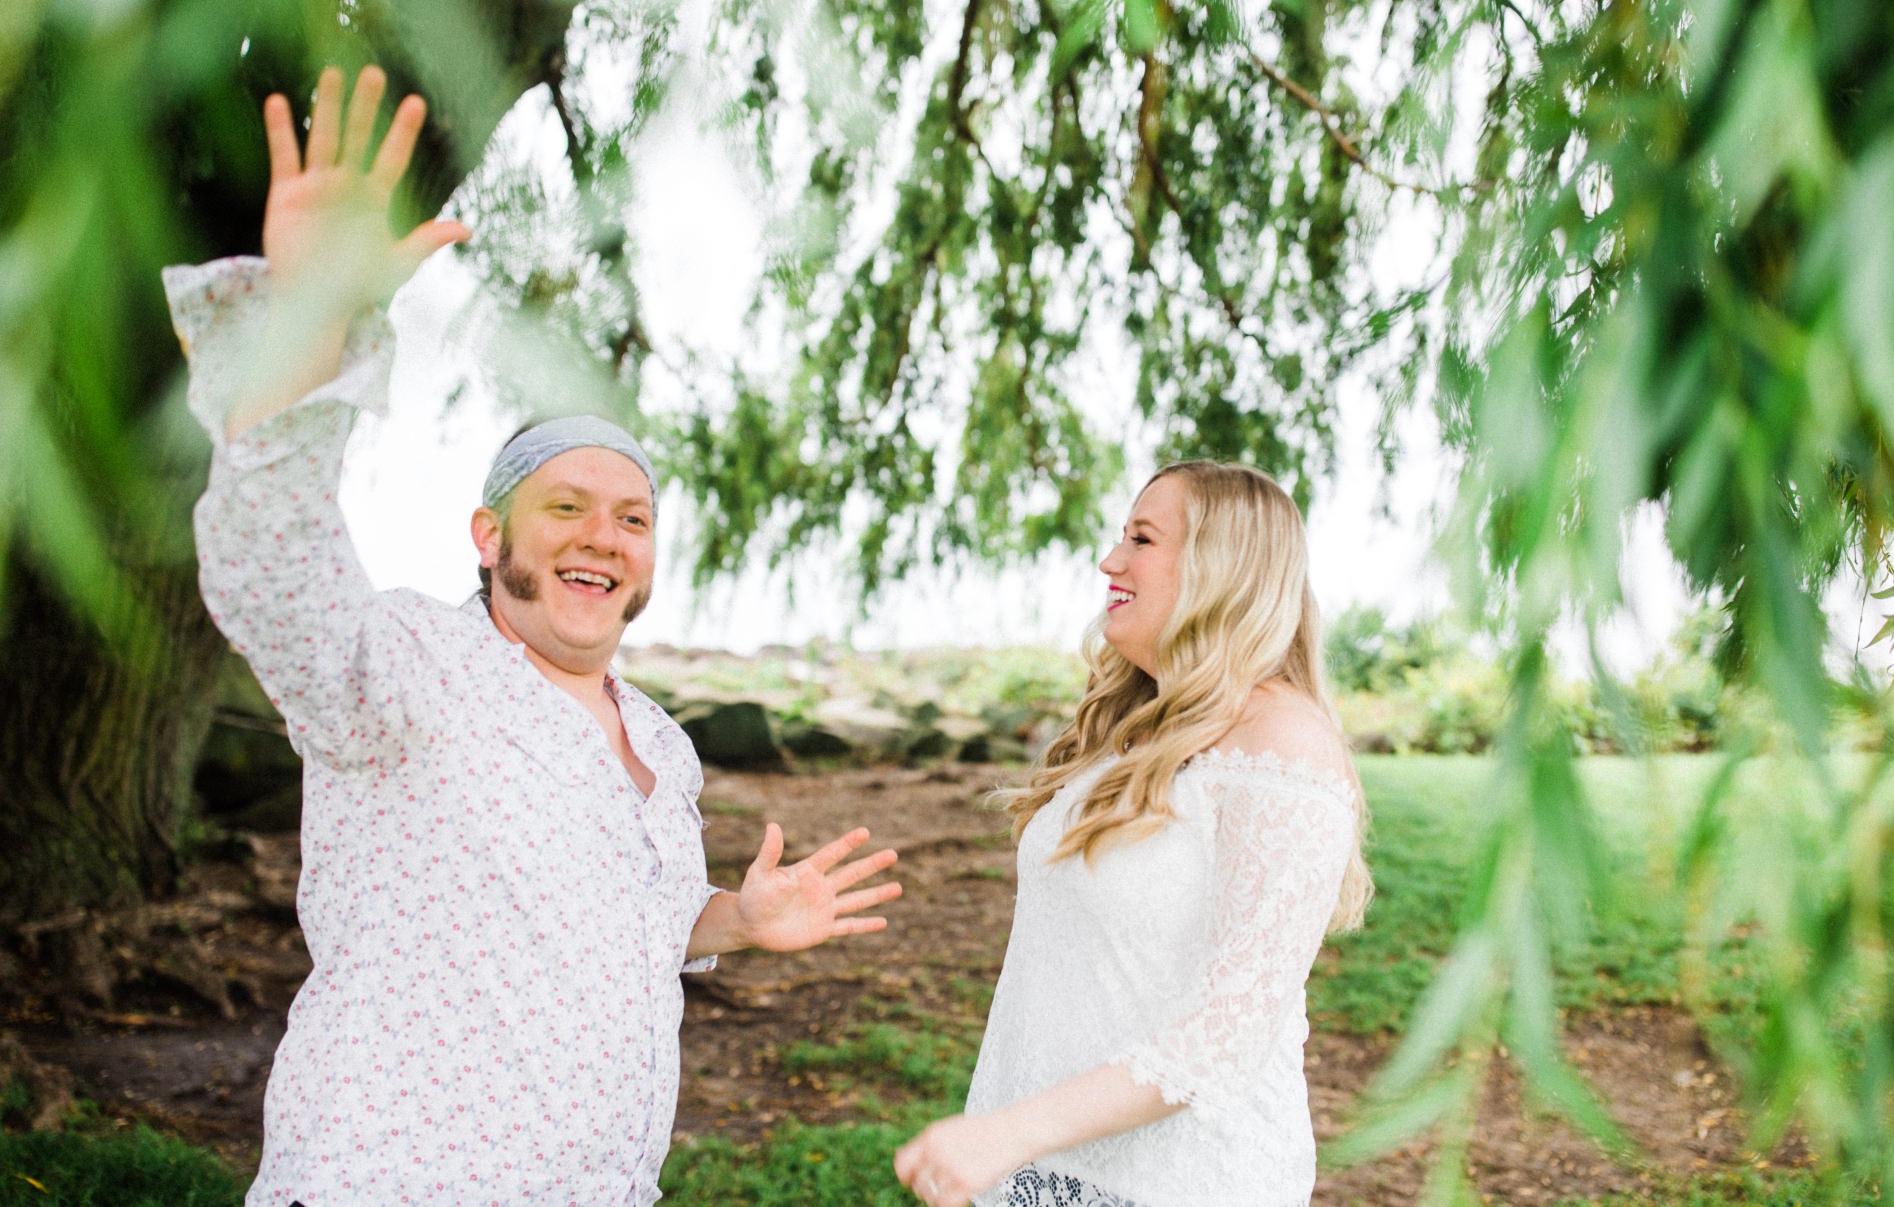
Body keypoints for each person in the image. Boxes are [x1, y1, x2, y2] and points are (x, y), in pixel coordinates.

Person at [167, 64, 901, 1207]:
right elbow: (273, 561)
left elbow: (637, 924)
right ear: (486, 533)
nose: (602, 536)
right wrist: (307, 327)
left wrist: (740, 921)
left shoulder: (658, 742)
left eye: (633, 518)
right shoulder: (405, 668)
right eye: (565, 506)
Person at [894, 461, 1371, 1207]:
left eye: (1141, 539)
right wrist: (1008, 1136)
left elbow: (1228, 1032)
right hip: (1041, 1171)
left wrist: (1010, 1131)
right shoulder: (1135, 726)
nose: (1110, 559)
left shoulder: (1284, 745)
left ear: (1222, 566)